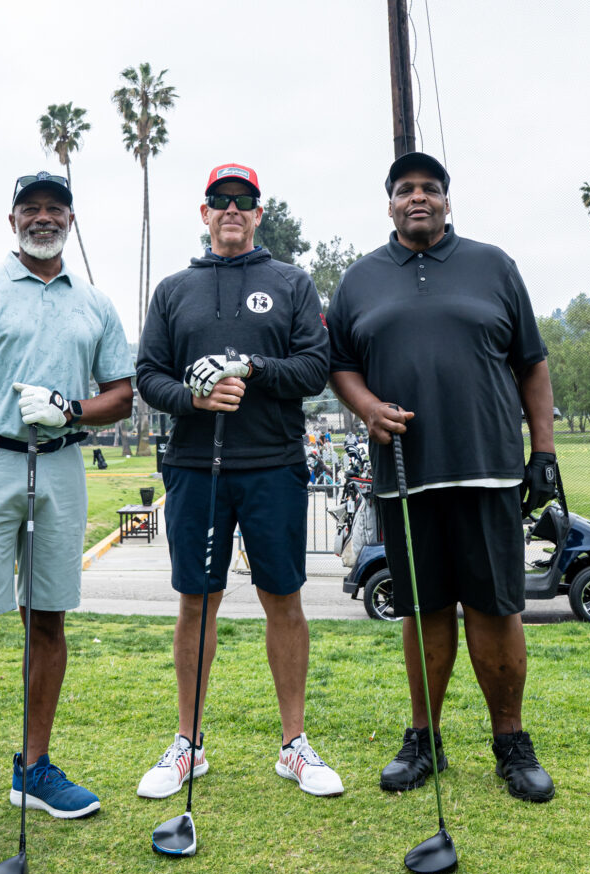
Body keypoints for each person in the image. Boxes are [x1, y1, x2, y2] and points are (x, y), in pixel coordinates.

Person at [328, 152, 556, 803]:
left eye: (430, 187)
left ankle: (511, 741)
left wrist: (542, 451)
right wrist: (365, 406)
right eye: (405, 189)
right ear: (391, 203)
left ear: (447, 200)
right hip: (405, 476)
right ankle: (424, 740)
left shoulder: (494, 266)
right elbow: (341, 362)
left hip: (487, 470)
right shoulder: (360, 279)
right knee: (422, 610)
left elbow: (532, 364)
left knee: (496, 608)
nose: (418, 197)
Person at [0, 170, 134, 861]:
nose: (43, 218)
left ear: (70, 221)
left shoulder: (95, 304)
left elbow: (121, 396)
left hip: (62, 462)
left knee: (48, 618)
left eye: (55, 209)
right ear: (12, 217)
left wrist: (71, 409)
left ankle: (33, 768)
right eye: (31, 208)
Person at [135, 162, 343, 799]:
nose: (232, 210)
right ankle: (188, 744)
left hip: (273, 465)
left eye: (243, 201)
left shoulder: (291, 283)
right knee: (198, 601)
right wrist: (193, 400)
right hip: (196, 468)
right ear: (204, 214)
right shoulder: (174, 290)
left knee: (283, 598)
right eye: (220, 201)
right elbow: (148, 377)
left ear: (259, 213)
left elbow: (314, 368)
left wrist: (251, 367)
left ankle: (293, 745)